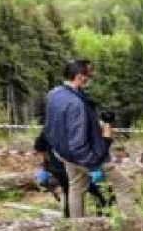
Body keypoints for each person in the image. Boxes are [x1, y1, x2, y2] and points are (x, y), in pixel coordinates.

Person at [42, 59, 116, 219]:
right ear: (80, 76)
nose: (90, 78)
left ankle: (77, 227)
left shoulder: (54, 94)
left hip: (63, 154)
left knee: (76, 188)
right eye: (89, 74)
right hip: (82, 157)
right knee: (123, 187)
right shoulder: (76, 103)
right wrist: (93, 165)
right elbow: (77, 140)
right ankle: (126, 226)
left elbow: (52, 127)